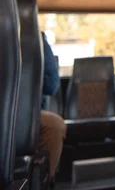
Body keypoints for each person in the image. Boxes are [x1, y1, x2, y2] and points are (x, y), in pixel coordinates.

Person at [40, 32, 66, 180]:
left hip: (25, 115)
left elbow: (51, 86)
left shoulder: (37, 40)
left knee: (54, 124)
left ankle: (44, 180)